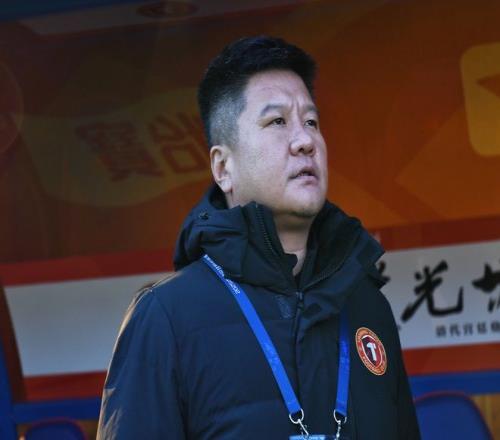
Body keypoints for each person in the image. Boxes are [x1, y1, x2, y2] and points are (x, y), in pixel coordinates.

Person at [97, 36, 420, 439]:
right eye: (277, 122)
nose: (305, 141)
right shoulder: (166, 316)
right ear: (223, 167)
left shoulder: (367, 306)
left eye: (311, 122)